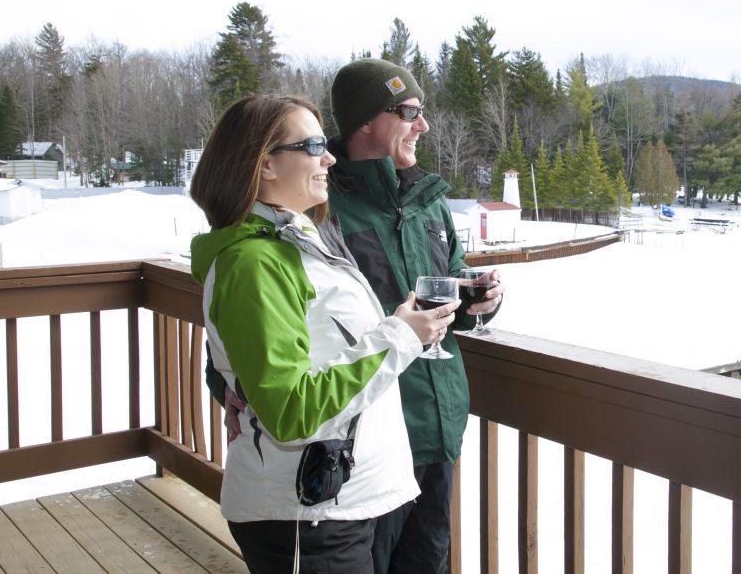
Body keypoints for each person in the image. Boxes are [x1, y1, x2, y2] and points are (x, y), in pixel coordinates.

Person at [189, 94, 459, 573]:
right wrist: (400, 336)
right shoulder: (254, 263)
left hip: (341, 498)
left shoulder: (299, 241)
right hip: (305, 511)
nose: (328, 157)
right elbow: (290, 408)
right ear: (266, 165)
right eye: (313, 145)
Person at [327, 58, 505, 573]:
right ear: (366, 120)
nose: (423, 126)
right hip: (371, 434)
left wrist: (479, 303)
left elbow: (450, 276)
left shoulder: (430, 201)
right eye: (409, 112)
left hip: (440, 427)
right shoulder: (326, 207)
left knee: (426, 562)